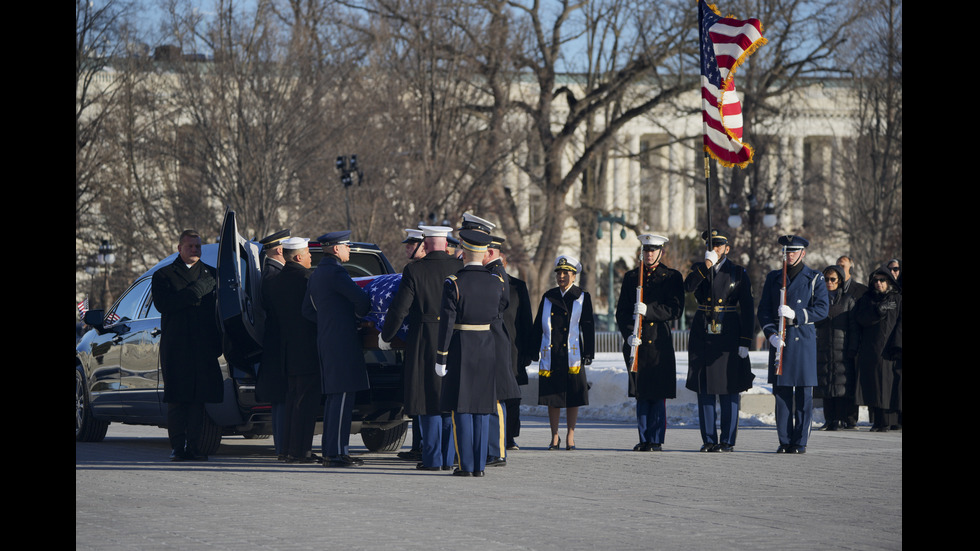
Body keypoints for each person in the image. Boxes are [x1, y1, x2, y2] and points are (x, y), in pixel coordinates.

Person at [381, 225, 462, 471]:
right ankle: (448, 458)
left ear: (426, 243)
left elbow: (399, 309)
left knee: (428, 399)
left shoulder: (414, 270)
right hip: (455, 340)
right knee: (449, 399)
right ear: (446, 243)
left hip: (425, 340)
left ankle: (432, 459)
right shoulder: (460, 268)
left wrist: (386, 335)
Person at [435, 230, 507, 477]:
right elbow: (498, 312)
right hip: (487, 345)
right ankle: (479, 466)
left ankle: (466, 465)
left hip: (461, 345)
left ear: (463, 252)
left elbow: (447, 323)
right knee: (482, 406)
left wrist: (441, 355)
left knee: (462, 406)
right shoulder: (495, 282)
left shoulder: (453, 282)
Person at [151, 229, 223, 461]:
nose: (195, 250)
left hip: (203, 346)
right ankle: (177, 447)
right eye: (190, 246)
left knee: (198, 400)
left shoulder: (212, 274)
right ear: (179, 248)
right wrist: (196, 291)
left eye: (198, 246)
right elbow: (165, 305)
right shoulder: (164, 275)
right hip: (177, 345)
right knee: (178, 399)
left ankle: (195, 446)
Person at [302, 230, 372, 468]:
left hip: (327, 339)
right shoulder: (336, 272)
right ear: (335, 248)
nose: (349, 250)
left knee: (335, 398)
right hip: (342, 341)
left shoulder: (317, 274)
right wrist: (354, 319)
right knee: (343, 396)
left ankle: (334, 451)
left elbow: (308, 311)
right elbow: (362, 301)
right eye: (346, 246)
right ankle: (335, 454)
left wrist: (329, 320)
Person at [683, 230, 755, 452]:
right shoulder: (700, 268)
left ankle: (728, 440)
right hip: (704, 330)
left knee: (728, 386)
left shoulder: (738, 272)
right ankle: (708, 439)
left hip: (729, 331)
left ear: (727, 248)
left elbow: (748, 309)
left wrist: (745, 340)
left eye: (718, 246)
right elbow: (688, 287)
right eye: (711, 246)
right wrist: (706, 265)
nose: (714, 250)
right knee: (704, 387)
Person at [758, 235, 829, 454]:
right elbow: (764, 310)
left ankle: (800, 441)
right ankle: (785, 439)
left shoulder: (814, 278)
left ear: (803, 253)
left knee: (804, 395)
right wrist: (770, 335)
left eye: (794, 251)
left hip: (802, 340)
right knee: (782, 394)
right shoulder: (774, 277)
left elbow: (822, 309)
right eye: (786, 252)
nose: (789, 255)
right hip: (781, 342)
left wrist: (796, 315)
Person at [615, 234, 684, 452]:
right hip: (638, 342)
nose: (649, 254)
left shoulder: (671, 277)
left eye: (653, 251)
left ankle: (656, 438)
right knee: (641, 393)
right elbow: (622, 312)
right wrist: (628, 334)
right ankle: (643, 437)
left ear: (661, 252)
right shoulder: (632, 277)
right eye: (646, 251)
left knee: (657, 393)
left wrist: (650, 311)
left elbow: (675, 309)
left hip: (658, 343)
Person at [264, 237, 322, 462]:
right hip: (307, 348)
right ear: (298, 257)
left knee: (292, 402)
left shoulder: (276, 281)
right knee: (306, 403)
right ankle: (302, 451)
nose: (310, 257)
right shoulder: (307, 278)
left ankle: (288, 449)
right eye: (308, 253)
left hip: (286, 350)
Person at [532, 255, 595, 450]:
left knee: (573, 396)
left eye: (566, 273)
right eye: (559, 273)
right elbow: (538, 327)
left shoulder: (582, 296)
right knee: (553, 397)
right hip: (552, 354)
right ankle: (554, 435)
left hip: (572, 355)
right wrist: (533, 350)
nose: (561, 277)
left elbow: (588, 326)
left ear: (574, 276)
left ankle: (570, 435)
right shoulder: (549, 296)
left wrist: (589, 352)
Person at [854, 265, 902, 431]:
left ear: (889, 281)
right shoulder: (867, 299)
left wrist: (898, 345)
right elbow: (860, 319)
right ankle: (878, 421)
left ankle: (892, 421)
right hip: (872, 349)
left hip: (891, 349)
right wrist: (877, 311)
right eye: (876, 280)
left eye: (882, 280)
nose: (879, 283)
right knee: (874, 385)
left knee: (890, 386)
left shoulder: (897, 299)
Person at [257, 229, 290, 459]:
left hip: (277, 342)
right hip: (280, 343)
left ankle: (283, 446)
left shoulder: (273, 272)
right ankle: (283, 447)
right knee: (281, 398)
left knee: (282, 399)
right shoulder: (273, 275)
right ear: (279, 249)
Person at [815, 265, 860, 431]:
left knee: (842, 385)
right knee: (826, 384)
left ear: (839, 280)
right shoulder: (818, 299)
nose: (829, 283)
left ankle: (842, 418)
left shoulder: (848, 300)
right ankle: (830, 419)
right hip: (824, 347)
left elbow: (854, 327)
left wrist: (852, 348)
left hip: (843, 347)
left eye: (833, 279)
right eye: (826, 279)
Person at [500, 251, 534, 451]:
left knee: (513, 396)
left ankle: (510, 436)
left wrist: (528, 352)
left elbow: (525, 321)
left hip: (513, 350)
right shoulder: (484, 284)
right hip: (490, 350)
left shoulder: (517, 286)